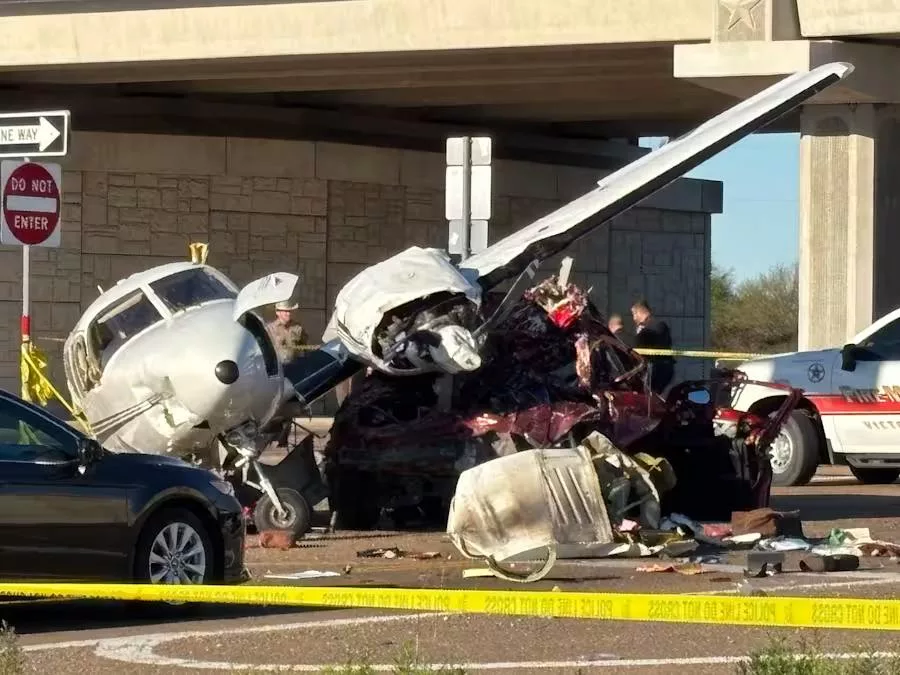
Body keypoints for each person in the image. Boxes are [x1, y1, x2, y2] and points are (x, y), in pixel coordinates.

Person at [630, 299, 675, 395]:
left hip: (658, 368)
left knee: (647, 396)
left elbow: (660, 343)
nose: (634, 318)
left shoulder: (656, 326)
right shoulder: (651, 326)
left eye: (634, 314)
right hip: (656, 368)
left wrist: (642, 332)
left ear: (640, 313)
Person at [266, 300, 308, 364]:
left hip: (294, 365)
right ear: (278, 312)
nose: (288, 314)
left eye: (289, 311)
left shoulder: (297, 328)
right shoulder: (270, 329)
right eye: (285, 311)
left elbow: (304, 346)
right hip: (278, 365)